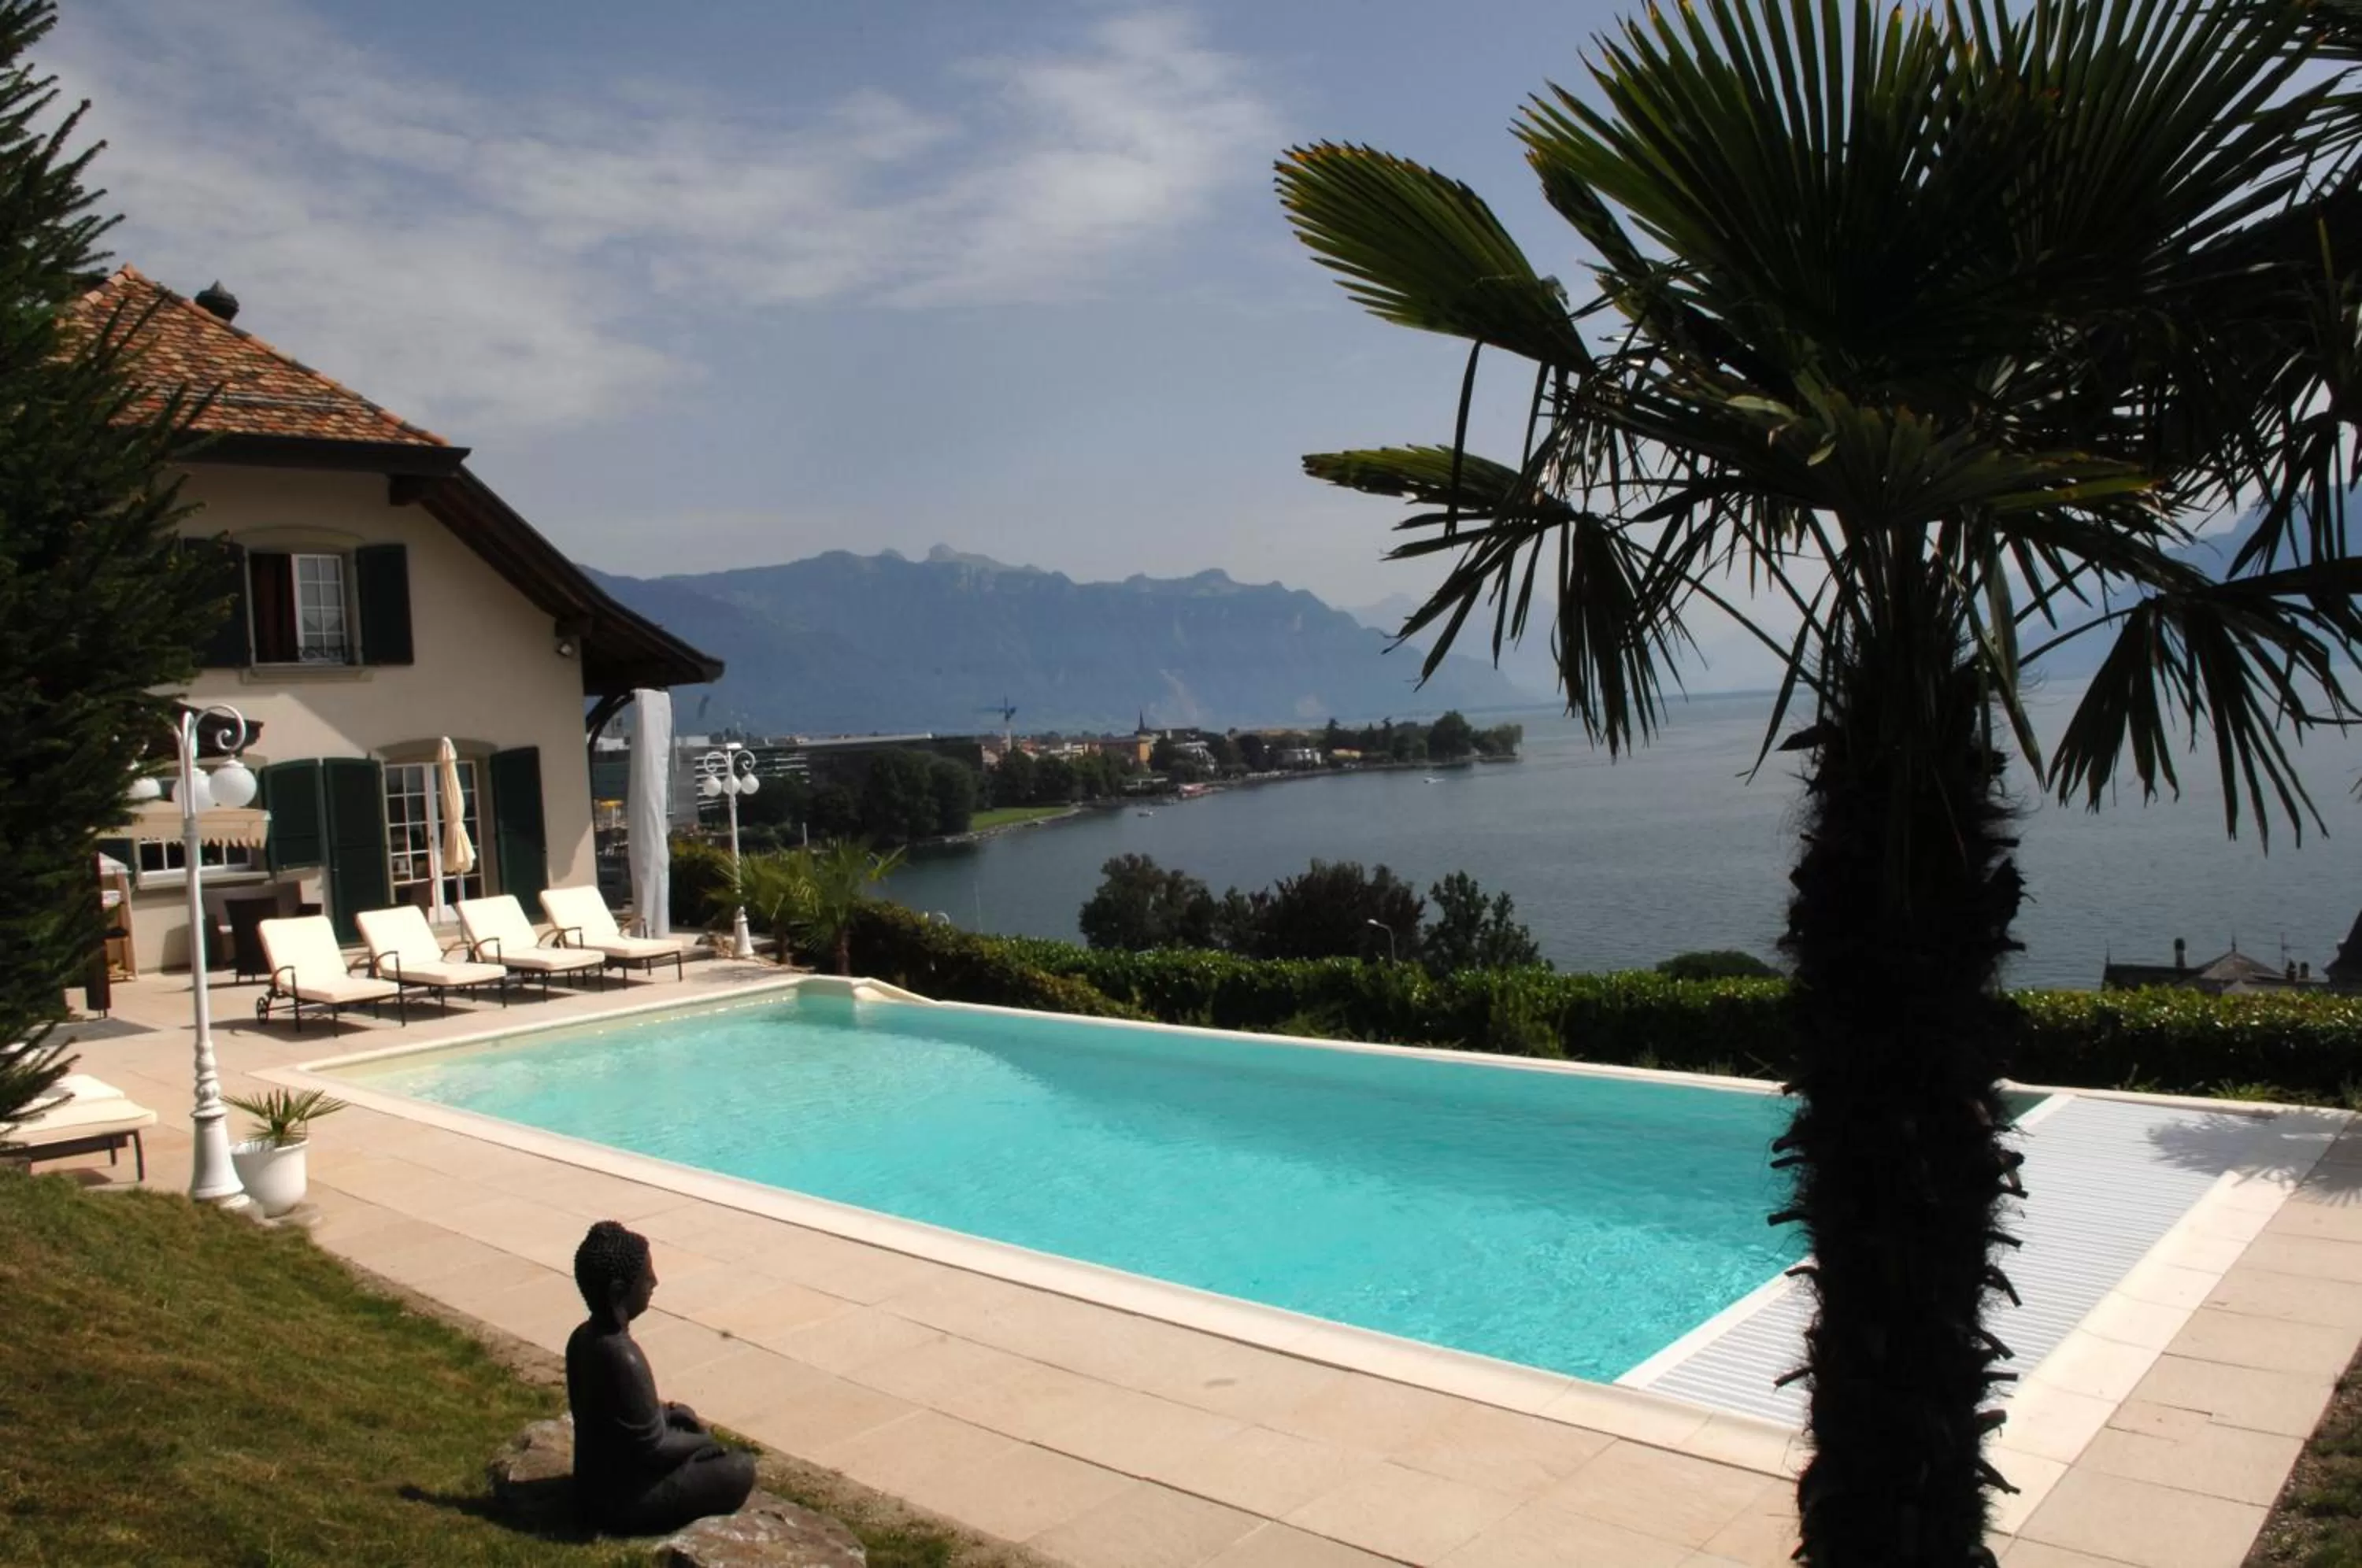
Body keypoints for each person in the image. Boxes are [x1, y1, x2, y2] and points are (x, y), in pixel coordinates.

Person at [565, 1219, 757, 1535]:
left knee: (684, 1422)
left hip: (594, 1484)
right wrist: (702, 1442)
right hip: (624, 1500)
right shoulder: (622, 1357)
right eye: (646, 1278)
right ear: (618, 1293)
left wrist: (667, 1415)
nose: (655, 1282)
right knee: (739, 1468)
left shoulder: (581, 1337)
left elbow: (620, 1421)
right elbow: (653, 1450)